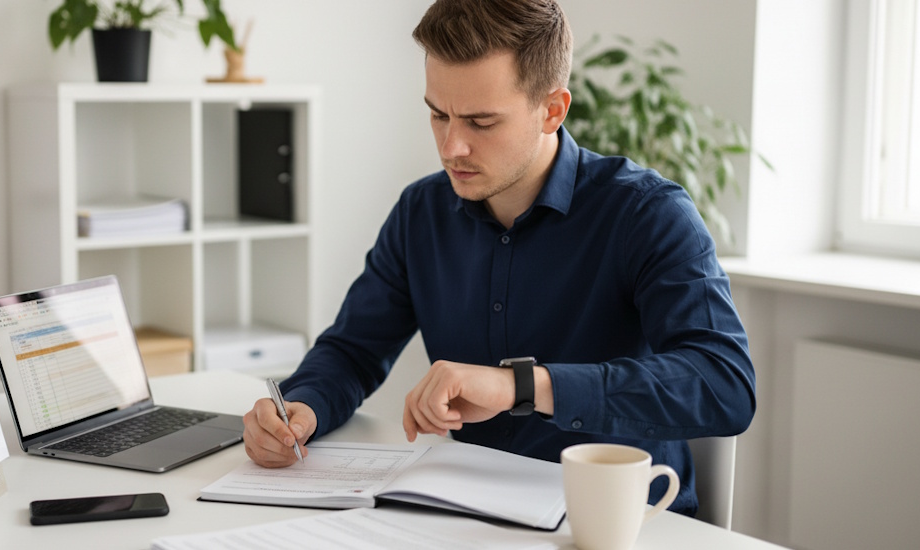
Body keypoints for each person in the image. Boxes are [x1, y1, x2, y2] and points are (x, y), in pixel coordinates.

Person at [241, 0, 755, 516]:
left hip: (618, 524)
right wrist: (302, 407)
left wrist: (523, 386)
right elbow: (352, 350)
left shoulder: (647, 213)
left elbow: (724, 384)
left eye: (481, 122)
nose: (451, 147)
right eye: (438, 114)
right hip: (469, 515)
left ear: (552, 110)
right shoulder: (421, 212)